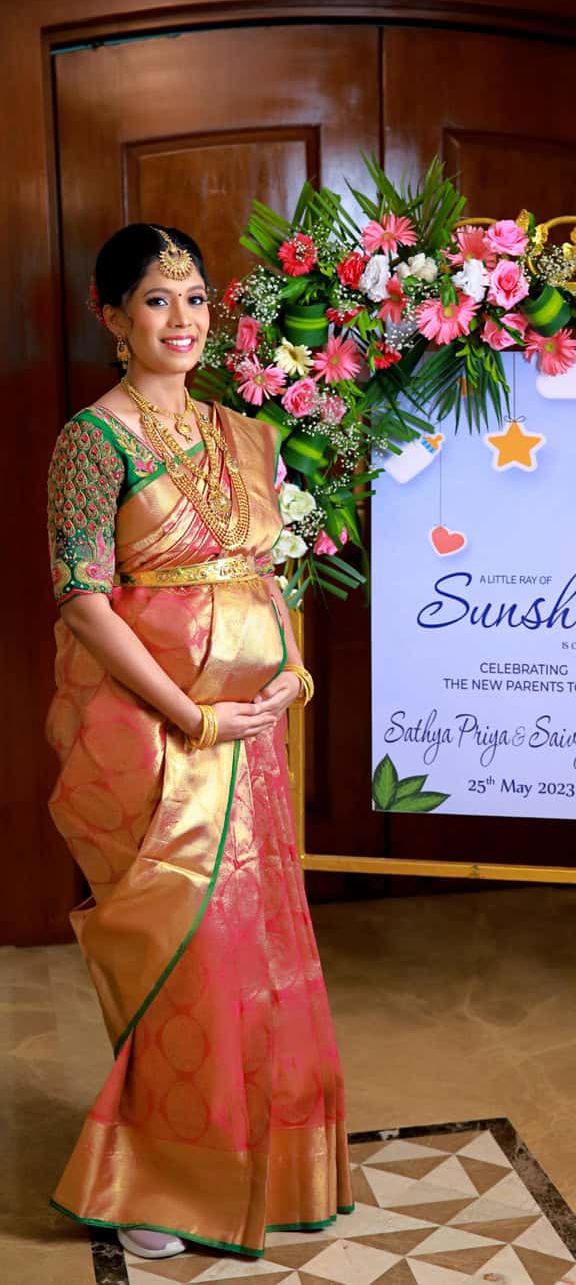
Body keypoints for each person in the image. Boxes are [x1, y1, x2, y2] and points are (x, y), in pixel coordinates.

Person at [45, 224, 353, 1261]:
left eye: (196, 300)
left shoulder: (237, 431)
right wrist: (194, 716)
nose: (182, 321)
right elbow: (85, 602)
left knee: (252, 952)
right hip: (158, 741)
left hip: (249, 741)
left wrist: (293, 667)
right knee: (185, 952)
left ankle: (250, 1156)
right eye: (156, 300)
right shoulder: (95, 441)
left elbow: (262, 572)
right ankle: (160, 1181)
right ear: (112, 317)